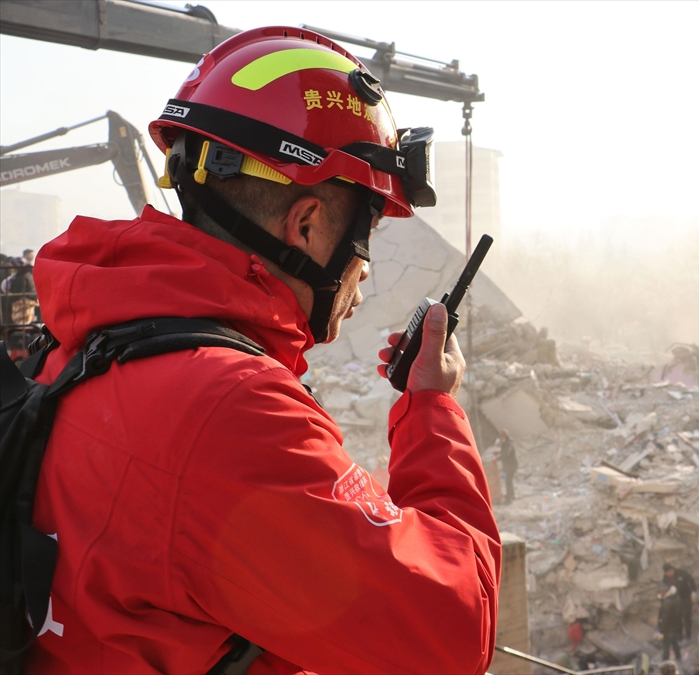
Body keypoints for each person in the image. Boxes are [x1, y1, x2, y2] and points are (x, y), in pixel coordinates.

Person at [25, 28, 500, 674]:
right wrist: (431, 408)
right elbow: (453, 629)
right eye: (367, 235)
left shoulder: (92, 335)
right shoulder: (229, 410)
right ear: (306, 225)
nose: (366, 269)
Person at [663, 563, 696, 639]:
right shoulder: (665, 579)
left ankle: (688, 634)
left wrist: (693, 592)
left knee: (687, 617)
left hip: (686, 597)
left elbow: (691, 581)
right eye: (668, 572)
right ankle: (679, 636)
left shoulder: (681, 573)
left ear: (673, 569)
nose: (670, 573)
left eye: (671, 571)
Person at [656, 584, 684, 662]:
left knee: (666, 646)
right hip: (675, 626)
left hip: (668, 628)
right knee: (675, 643)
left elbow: (665, 618)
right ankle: (678, 658)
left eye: (659, 592)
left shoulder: (667, 602)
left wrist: (662, 632)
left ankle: (665, 662)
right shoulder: (676, 597)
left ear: (663, 592)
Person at [499, 429, 518, 504]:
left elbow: (506, 454)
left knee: (508, 481)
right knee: (509, 481)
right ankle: (511, 495)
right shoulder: (507, 442)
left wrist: (498, 458)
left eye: (501, 436)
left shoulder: (507, 443)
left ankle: (509, 499)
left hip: (511, 466)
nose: (500, 438)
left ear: (504, 436)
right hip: (510, 465)